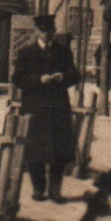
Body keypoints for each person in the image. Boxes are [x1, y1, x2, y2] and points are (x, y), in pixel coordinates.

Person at [15, 13, 81, 202]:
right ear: (36, 32)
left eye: (50, 31)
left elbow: (75, 75)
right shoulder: (25, 53)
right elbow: (17, 78)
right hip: (35, 107)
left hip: (58, 105)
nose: (46, 35)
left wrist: (63, 77)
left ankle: (55, 191)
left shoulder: (63, 51)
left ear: (55, 31)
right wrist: (38, 80)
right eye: (42, 31)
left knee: (58, 151)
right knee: (35, 151)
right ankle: (38, 189)